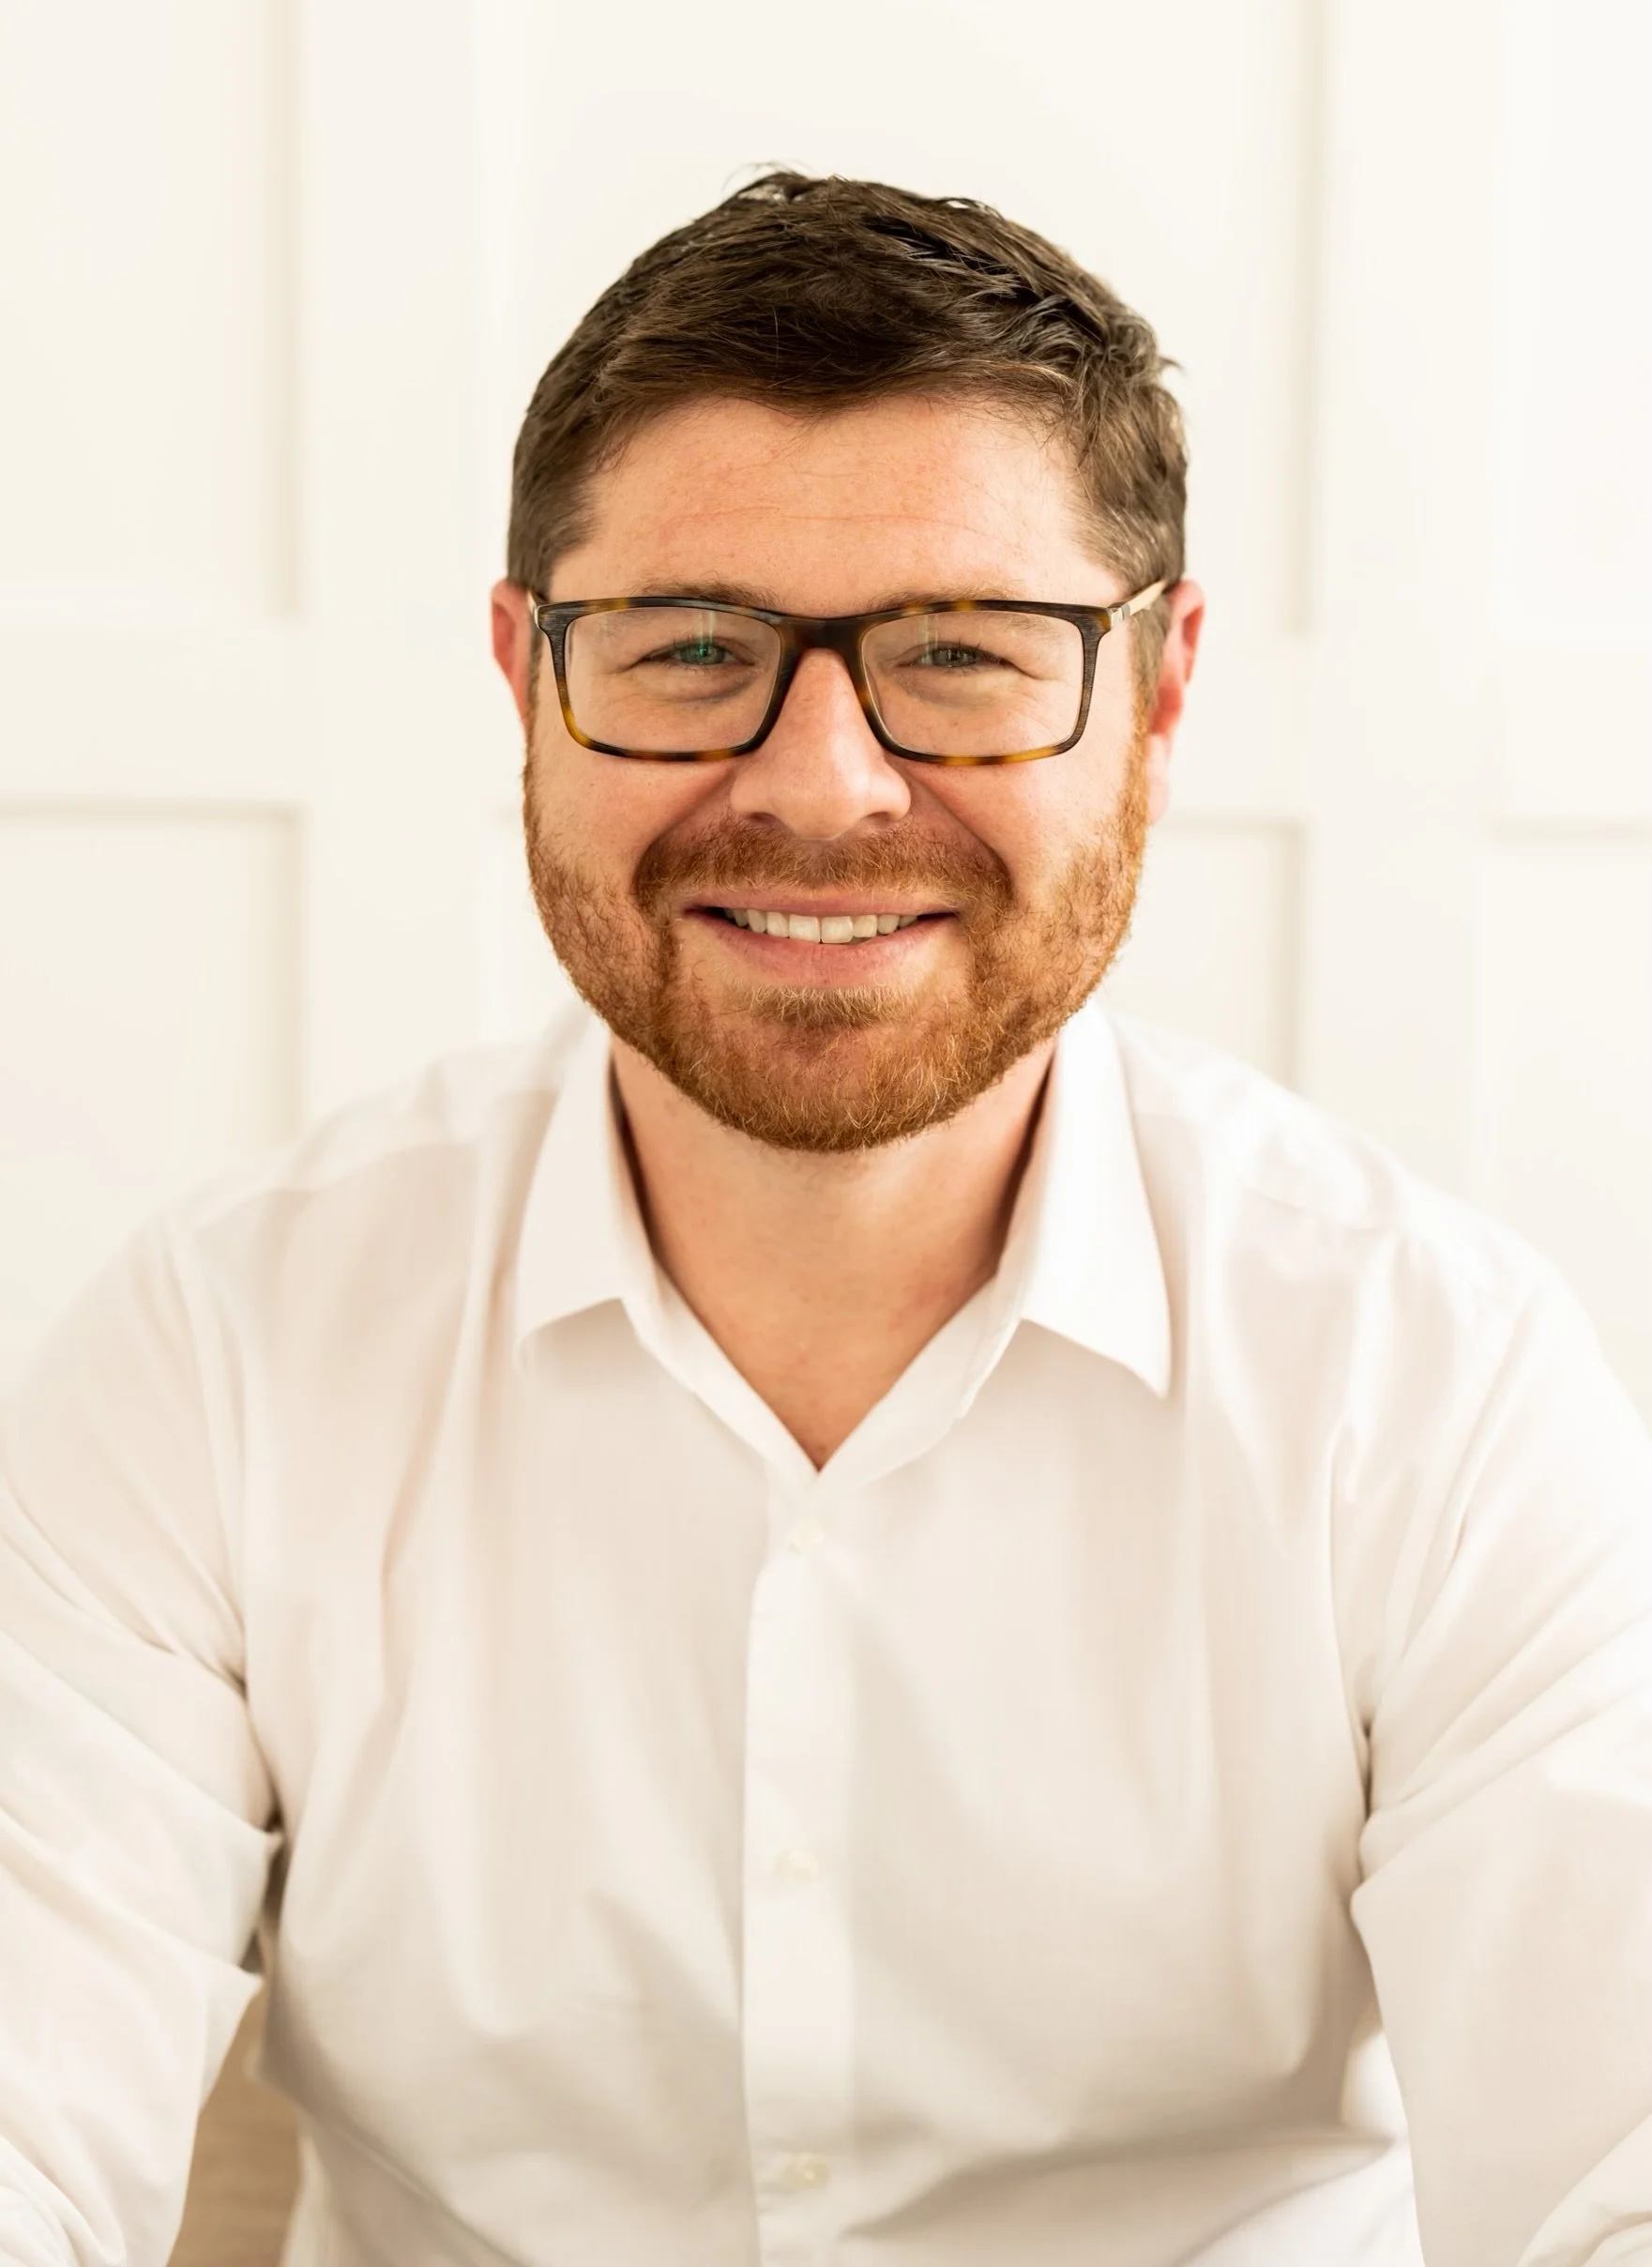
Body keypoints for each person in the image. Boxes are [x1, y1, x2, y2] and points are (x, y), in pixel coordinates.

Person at [2, 171, 1649, 2267]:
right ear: (524, 675)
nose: (829, 781)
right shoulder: (215, 1353)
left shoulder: (1432, 1382)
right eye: (694, 648)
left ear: (1157, 691)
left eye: (961, 653)